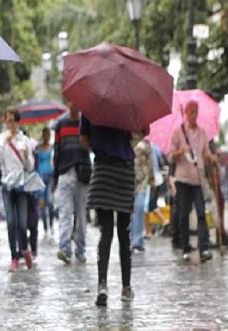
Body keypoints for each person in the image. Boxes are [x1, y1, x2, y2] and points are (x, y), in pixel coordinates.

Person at [80, 114, 136, 306]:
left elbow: (83, 138)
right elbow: (140, 132)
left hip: (103, 168)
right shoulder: (130, 102)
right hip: (125, 169)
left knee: (106, 231)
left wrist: (101, 145)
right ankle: (126, 287)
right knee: (124, 232)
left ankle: (102, 284)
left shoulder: (91, 104)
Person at [169, 100, 216, 262]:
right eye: (191, 112)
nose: (194, 115)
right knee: (183, 215)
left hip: (198, 179)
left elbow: (206, 153)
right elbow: (170, 155)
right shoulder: (177, 132)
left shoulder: (202, 133)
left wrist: (211, 158)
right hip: (182, 179)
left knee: (202, 213)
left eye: (196, 112)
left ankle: (204, 248)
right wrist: (181, 150)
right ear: (186, 113)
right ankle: (186, 247)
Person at [0, 108, 34, 272]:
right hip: (7, 186)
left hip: (22, 186)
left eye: (12, 121)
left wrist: (25, 156)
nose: (9, 124)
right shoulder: (1, 139)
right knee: (10, 222)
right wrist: (4, 142)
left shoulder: (24, 140)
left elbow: (31, 166)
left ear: (18, 122)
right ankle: (14, 257)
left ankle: (25, 249)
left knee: (22, 224)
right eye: (7, 121)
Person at [53, 105, 91, 264]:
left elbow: (91, 146)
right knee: (65, 214)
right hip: (64, 174)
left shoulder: (87, 122)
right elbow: (57, 151)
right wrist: (55, 178)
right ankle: (65, 249)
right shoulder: (60, 124)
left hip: (82, 174)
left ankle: (80, 250)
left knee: (81, 216)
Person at [131, 140, 153, 252]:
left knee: (139, 208)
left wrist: (152, 179)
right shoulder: (126, 137)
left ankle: (137, 240)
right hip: (129, 179)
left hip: (142, 181)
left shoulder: (146, 143)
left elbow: (150, 162)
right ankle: (131, 239)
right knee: (130, 211)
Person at [36, 127, 55, 237]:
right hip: (40, 176)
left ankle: (51, 225)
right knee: (42, 203)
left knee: (50, 202)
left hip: (50, 176)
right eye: (45, 135)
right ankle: (45, 228)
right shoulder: (38, 148)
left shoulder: (52, 148)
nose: (46, 137)